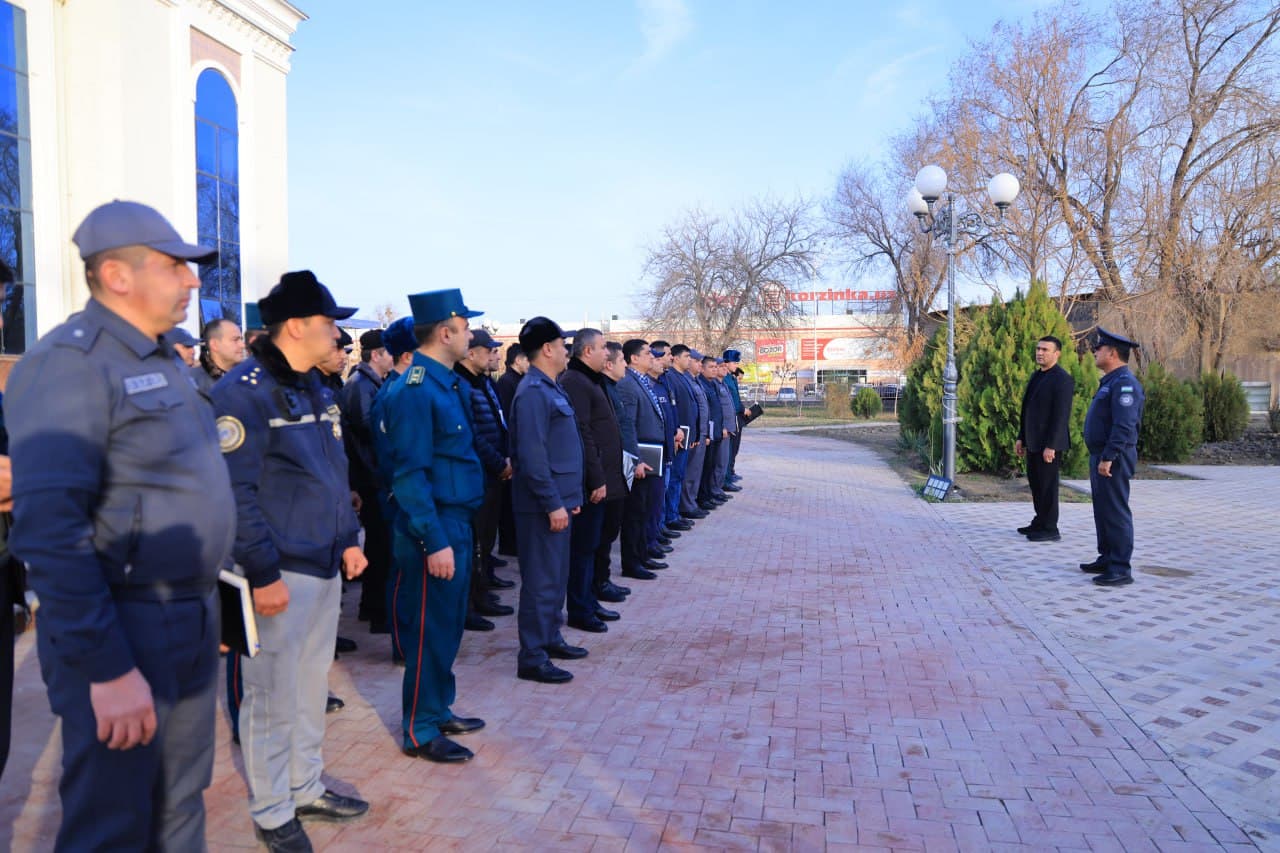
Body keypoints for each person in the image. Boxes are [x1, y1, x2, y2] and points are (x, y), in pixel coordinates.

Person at [6, 200, 236, 850]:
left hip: (186, 614)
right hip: (122, 626)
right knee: (114, 821)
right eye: (175, 266)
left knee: (179, 800)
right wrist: (106, 669)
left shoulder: (164, 361)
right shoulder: (69, 366)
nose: (193, 281)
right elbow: (52, 533)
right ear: (117, 275)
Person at [212, 270, 370, 851]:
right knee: (269, 694)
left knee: (307, 689)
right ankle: (272, 808)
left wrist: (350, 536)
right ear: (298, 325)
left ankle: (304, 786)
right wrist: (261, 573)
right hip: (276, 572)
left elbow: (333, 474)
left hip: (325, 563)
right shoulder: (242, 392)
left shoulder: (314, 387)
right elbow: (236, 491)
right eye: (331, 324)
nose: (338, 334)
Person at [380, 289, 487, 763]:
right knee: (428, 629)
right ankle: (420, 730)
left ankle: (438, 707)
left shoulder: (444, 383)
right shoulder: (415, 390)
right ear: (445, 332)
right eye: (465, 328)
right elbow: (410, 474)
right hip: (434, 527)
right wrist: (434, 538)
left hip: (456, 521)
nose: (470, 335)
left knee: (446, 626)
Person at [510, 317, 586, 683]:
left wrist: (568, 497)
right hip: (541, 506)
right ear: (547, 349)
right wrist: (553, 502)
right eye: (562, 343)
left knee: (555, 577)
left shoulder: (551, 387)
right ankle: (533, 656)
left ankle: (551, 637)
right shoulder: (532, 393)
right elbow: (533, 457)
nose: (566, 350)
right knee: (541, 581)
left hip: (559, 500)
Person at [560, 328, 623, 633]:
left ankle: (590, 600)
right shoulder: (575, 382)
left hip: (601, 480)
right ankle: (579, 609)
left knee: (594, 545)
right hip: (590, 483)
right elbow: (582, 432)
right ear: (587, 351)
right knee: (583, 549)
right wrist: (596, 478)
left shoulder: (589, 380)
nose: (606, 354)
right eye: (601, 348)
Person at [453, 328, 515, 632]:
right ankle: (470, 603)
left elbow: (497, 424)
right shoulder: (462, 384)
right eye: (489, 350)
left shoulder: (484, 383)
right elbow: (473, 433)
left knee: (485, 539)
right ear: (471, 353)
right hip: (478, 471)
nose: (495, 355)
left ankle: (482, 591)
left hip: (492, 470)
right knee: (475, 541)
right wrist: (496, 461)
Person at [1081, 328, 1145, 588]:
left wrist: (1109, 456)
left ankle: (1120, 568)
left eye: (1100, 347)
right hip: (1101, 455)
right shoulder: (1110, 381)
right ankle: (1107, 557)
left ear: (1112, 353)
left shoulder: (1125, 384)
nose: (1095, 351)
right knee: (1103, 509)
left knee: (1116, 511)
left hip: (1113, 457)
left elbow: (1124, 425)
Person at [340, 329, 395, 633]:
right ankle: (377, 611)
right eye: (388, 352)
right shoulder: (361, 385)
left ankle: (372, 607)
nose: (392, 357)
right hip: (370, 477)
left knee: (381, 544)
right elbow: (368, 429)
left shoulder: (372, 384)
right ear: (376, 355)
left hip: (374, 475)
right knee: (379, 545)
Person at [1015, 335, 1075, 542]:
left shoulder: (1062, 379)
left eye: (1045, 350)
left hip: (1048, 445)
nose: (1040, 353)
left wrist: (1052, 445)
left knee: (1048, 486)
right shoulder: (1037, 376)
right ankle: (1040, 521)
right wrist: (1020, 437)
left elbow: (1061, 416)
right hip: (1032, 441)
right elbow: (1027, 410)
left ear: (1056, 354)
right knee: (1036, 484)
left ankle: (1050, 528)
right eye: (1038, 349)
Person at [616, 340, 664, 580]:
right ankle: (632, 562)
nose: (651, 357)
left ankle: (642, 555)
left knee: (645, 509)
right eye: (647, 354)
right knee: (635, 513)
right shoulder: (627, 384)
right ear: (633, 358)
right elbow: (628, 426)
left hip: (651, 455)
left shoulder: (642, 381)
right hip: (640, 459)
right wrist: (634, 461)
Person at [593, 342, 633, 603]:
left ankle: (602, 580)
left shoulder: (612, 389)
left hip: (619, 468)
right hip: (605, 473)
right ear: (609, 364)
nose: (625, 365)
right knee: (601, 534)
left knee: (609, 531)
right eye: (622, 361)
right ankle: (598, 583)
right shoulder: (599, 389)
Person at [495, 342, 527, 558]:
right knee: (507, 504)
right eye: (526, 359)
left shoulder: (518, 381)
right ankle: (508, 545)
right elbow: (507, 420)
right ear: (517, 360)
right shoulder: (507, 382)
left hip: (514, 449)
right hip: (509, 450)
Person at [680, 350, 712, 520]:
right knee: (690, 471)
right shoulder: (685, 381)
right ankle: (687, 505)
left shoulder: (695, 381)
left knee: (696, 470)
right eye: (697, 361)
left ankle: (691, 502)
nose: (700, 364)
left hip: (700, 433)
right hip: (693, 435)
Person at [192, 317, 246, 392]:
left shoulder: (247, 375)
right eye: (235, 340)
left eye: (241, 339)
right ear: (214, 345)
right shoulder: (194, 382)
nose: (243, 345)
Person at [722, 349, 745, 489]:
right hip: (731, 417)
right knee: (728, 451)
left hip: (736, 416)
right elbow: (731, 401)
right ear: (726, 362)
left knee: (733, 449)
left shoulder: (731, 377)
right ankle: (726, 478)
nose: (736, 365)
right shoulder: (725, 378)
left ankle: (729, 475)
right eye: (734, 362)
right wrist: (742, 409)